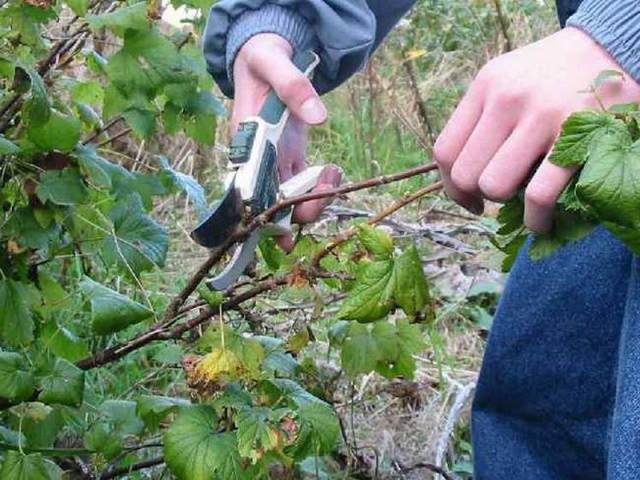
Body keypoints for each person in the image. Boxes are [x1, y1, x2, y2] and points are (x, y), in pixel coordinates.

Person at [202, 1, 640, 478]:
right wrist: (287, 20)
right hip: (596, 149)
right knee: (538, 418)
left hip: (609, 92)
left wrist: (621, 36)